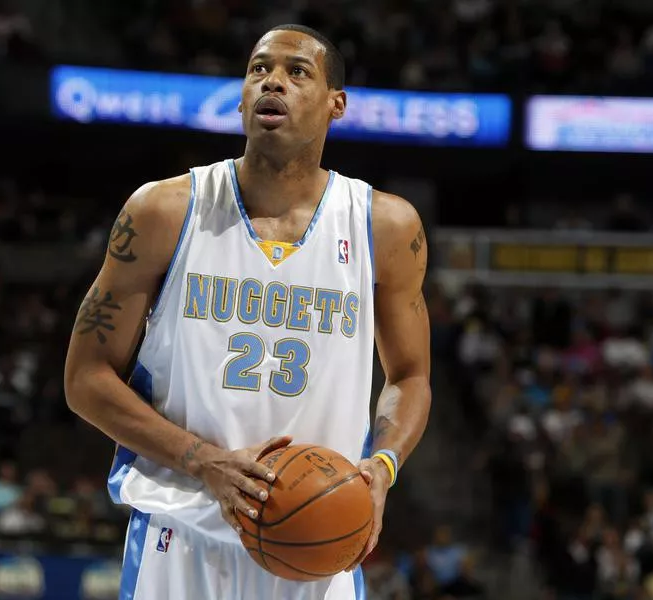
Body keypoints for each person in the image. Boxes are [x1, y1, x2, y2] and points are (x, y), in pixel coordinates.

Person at [64, 24, 431, 600]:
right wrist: (204, 460)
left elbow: (409, 377)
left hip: (320, 547)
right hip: (181, 539)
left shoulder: (384, 226)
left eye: (296, 72)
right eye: (260, 69)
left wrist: (381, 468)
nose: (272, 83)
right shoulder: (163, 210)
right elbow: (85, 380)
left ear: (336, 104)